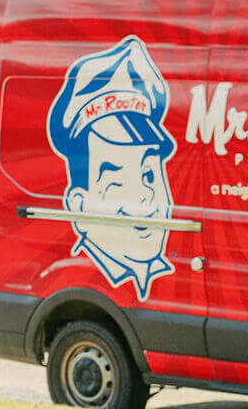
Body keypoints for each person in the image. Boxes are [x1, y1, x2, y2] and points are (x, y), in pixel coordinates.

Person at [47, 36, 179, 301]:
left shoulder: (158, 265)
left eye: (149, 175)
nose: (144, 194)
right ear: (79, 205)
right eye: (116, 182)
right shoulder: (85, 274)